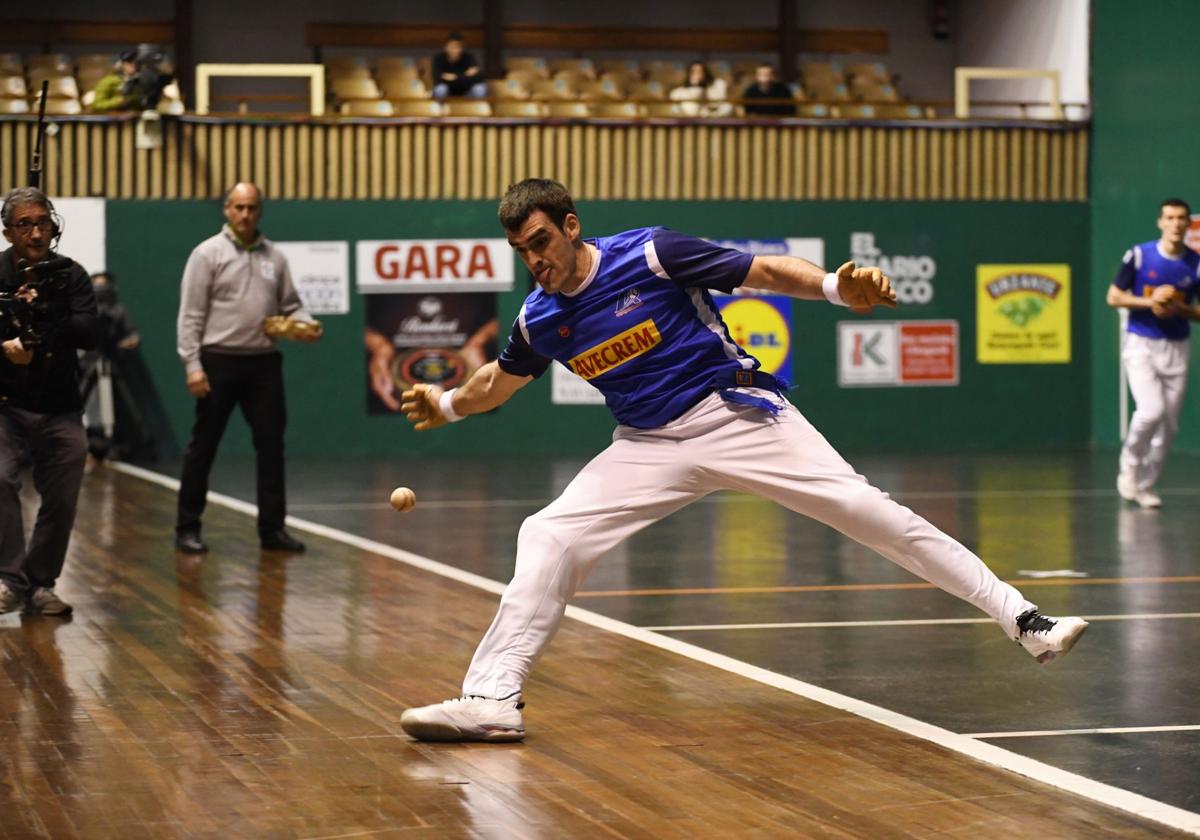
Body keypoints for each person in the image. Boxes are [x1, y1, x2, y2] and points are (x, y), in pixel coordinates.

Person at [396, 178, 1090, 742]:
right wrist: (451, 404)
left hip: (734, 414)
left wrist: (830, 288)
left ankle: (1025, 621)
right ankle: (491, 699)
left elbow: (758, 270)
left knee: (866, 510)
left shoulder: (650, 254)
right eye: (522, 250)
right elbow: (501, 380)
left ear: (572, 225)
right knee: (547, 534)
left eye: (541, 241)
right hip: (645, 445)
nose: (535, 258)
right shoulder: (541, 316)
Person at [175, 182, 322, 554]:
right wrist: (193, 364)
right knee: (203, 447)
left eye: (252, 208)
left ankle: (272, 530)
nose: (245, 214)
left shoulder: (275, 256)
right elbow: (190, 315)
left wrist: (304, 324)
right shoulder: (206, 254)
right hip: (218, 360)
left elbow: (291, 305)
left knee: (271, 446)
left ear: (260, 211)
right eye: (238, 207)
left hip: (263, 364)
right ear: (227, 209)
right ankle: (187, 528)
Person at [0, 187, 98, 616]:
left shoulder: (70, 275)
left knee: (64, 488)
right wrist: (5, 345)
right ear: (7, 232)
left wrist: (48, 310)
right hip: (5, 403)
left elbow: (90, 332)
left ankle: (41, 583)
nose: (36, 233)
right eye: (25, 225)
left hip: (59, 403)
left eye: (42, 223)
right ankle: (9, 578)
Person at [1107, 198, 1200, 508]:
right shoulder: (1138, 256)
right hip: (1140, 343)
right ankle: (1130, 467)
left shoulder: (1195, 263)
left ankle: (1145, 485)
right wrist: (1151, 302)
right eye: (1170, 218)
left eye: (1181, 218)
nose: (1176, 223)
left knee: (1169, 426)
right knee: (1150, 410)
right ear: (1160, 222)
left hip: (1176, 347)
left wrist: (1179, 308)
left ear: (1188, 224)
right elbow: (1114, 297)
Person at [431, 32, 486, 101]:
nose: (455, 50)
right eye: (452, 47)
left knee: (480, 88)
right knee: (440, 89)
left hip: (466, 92)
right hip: (448, 93)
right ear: (445, 47)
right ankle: (440, 111)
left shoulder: (469, 58)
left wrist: (455, 77)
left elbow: (479, 78)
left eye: (458, 47)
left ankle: (476, 110)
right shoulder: (438, 59)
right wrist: (465, 76)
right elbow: (437, 79)